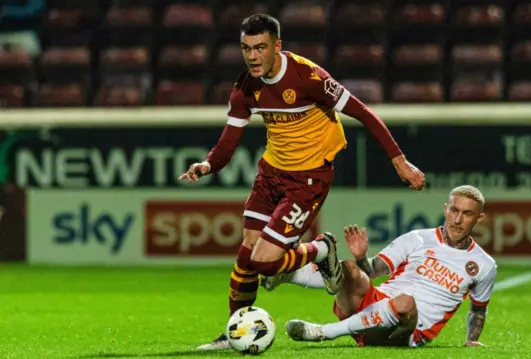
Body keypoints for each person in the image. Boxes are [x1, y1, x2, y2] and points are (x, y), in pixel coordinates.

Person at [177, 14, 425, 350]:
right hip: (270, 173)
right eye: (246, 48)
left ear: (277, 46)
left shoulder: (308, 77)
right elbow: (228, 142)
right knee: (246, 256)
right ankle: (234, 333)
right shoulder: (245, 87)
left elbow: (363, 112)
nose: (252, 56)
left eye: (260, 47)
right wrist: (206, 165)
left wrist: (400, 161)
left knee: (264, 262)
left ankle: (321, 250)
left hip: (308, 179)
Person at [267, 185, 496, 348]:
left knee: (405, 302)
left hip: (407, 331)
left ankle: (322, 332)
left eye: (467, 214)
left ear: (480, 217)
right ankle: (289, 274)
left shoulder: (484, 265)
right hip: (372, 308)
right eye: (454, 210)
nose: (457, 219)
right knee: (349, 268)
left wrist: (471, 339)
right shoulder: (417, 238)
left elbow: (478, 309)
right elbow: (371, 270)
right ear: (446, 208)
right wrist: (361, 257)